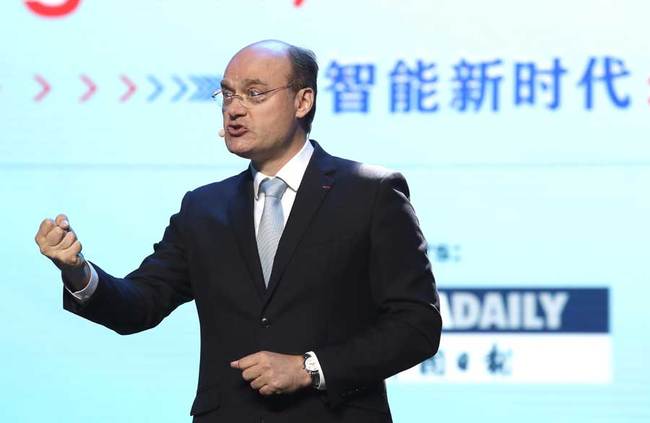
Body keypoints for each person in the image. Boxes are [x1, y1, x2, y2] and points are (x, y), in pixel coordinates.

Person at [35, 40, 442, 423]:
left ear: (303, 100)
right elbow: (139, 304)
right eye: (227, 95)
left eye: (255, 94)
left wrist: (310, 368)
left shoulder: (370, 193)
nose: (234, 109)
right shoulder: (203, 207)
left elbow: (416, 326)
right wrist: (77, 271)